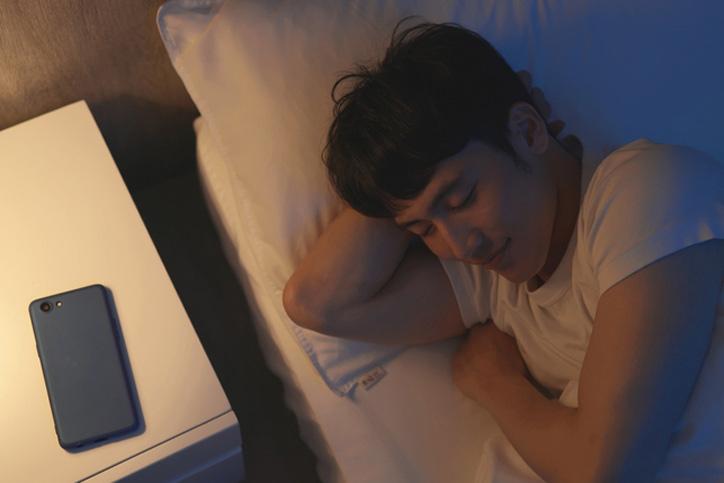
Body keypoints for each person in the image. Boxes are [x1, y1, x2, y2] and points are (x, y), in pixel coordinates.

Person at [282, 19, 724, 482]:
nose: (460, 245)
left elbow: (604, 470)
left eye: (462, 198)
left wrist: (494, 383)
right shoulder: (495, 282)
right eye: (422, 229)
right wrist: (388, 180)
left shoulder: (647, 190)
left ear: (529, 131)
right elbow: (316, 304)